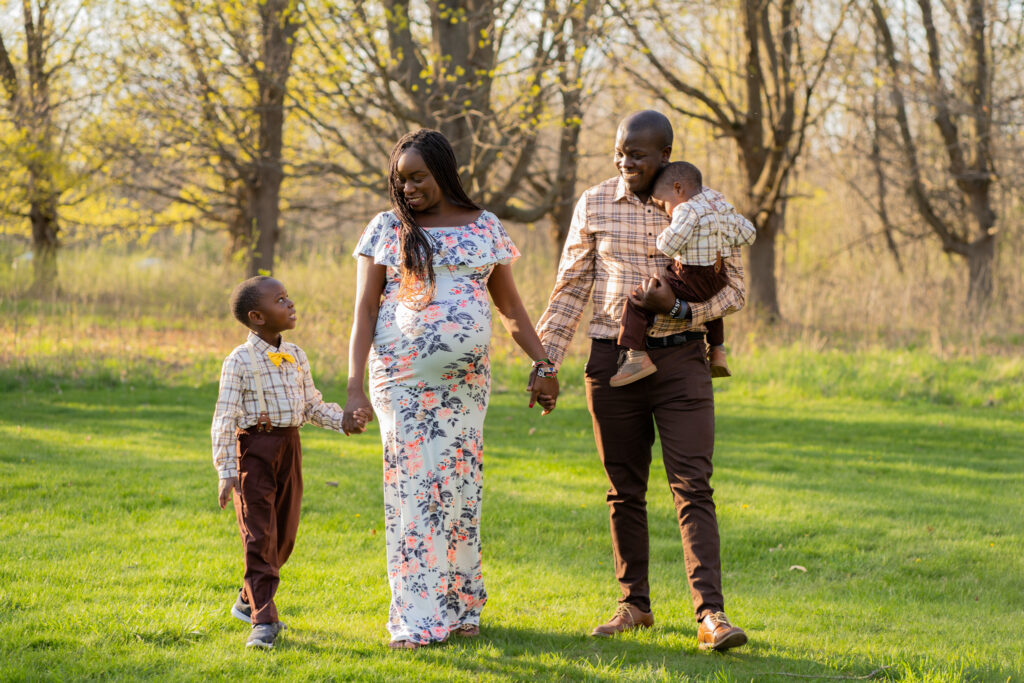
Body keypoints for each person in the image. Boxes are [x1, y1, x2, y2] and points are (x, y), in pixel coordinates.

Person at [536, 111, 748, 652]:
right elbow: (570, 288)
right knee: (623, 491)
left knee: (693, 487)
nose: (625, 163)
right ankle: (634, 605)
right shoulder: (595, 202)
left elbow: (735, 292)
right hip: (612, 363)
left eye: (637, 155)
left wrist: (678, 307)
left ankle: (711, 616)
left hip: (681, 361)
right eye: (620, 153)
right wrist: (545, 363)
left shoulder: (705, 207)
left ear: (664, 155)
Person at [344, 129, 558, 650]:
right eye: (402, 180)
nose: (409, 188)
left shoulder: (485, 227)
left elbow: (510, 308)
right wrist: (353, 385)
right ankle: (417, 619)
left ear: (444, 170)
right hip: (402, 383)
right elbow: (366, 310)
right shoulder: (387, 229)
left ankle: (461, 605)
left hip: (465, 388)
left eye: (419, 177)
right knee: (414, 493)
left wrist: (544, 362)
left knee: (460, 491)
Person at [210, 275, 369, 650]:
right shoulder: (240, 360)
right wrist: (226, 471)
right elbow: (224, 417)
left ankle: (247, 597)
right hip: (253, 451)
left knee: (284, 536)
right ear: (257, 316)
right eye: (280, 300)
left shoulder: (296, 354)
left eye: (288, 297)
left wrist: (344, 421)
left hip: (289, 447)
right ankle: (264, 621)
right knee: (259, 535)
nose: (291, 303)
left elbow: (311, 405)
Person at [610, 161, 756, 387]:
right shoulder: (721, 206)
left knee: (638, 299)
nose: (666, 209)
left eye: (664, 202)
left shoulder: (686, 209)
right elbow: (749, 234)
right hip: (718, 276)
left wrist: (662, 234)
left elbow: (669, 245)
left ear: (678, 189)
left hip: (690, 275)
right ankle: (717, 350)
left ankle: (636, 357)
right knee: (710, 304)